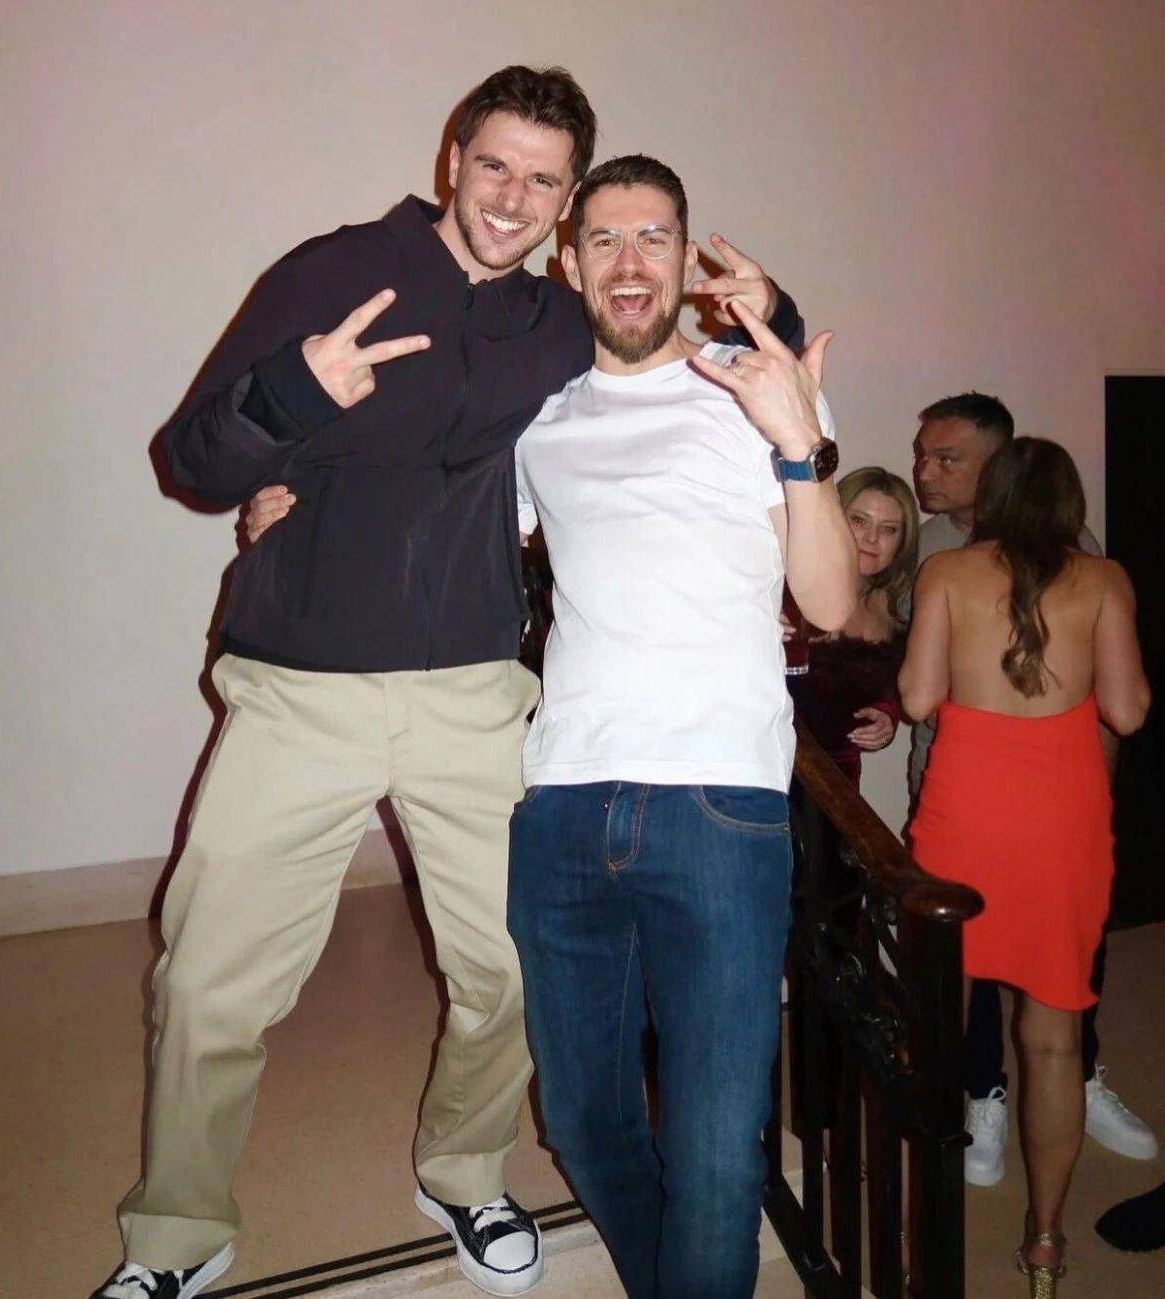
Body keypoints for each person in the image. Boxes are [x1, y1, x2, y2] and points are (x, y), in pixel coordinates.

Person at [95, 67, 804, 1299]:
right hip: (301, 688)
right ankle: (178, 1231)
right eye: (494, 166)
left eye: (542, 180)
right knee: (207, 983)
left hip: (473, 692)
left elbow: (676, 355)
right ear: (451, 160)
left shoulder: (553, 322)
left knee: (512, 975)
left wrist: (775, 308)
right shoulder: (331, 270)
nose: (511, 198)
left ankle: (465, 1169)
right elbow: (192, 461)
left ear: (564, 202)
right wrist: (292, 394)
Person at [505, 155, 856, 1299]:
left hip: (718, 804)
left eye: (653, 236)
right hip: (562, 804)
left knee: (712, 1150)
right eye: (603, 238)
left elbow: (831, 601)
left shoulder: (753, 392)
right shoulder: (539, 422)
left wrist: (796, 443)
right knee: (580, 1117)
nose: (629, 261)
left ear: (687, 258)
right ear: (568, 263)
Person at [900, 437, 1151, 1297]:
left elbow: (917, 697)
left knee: (938, 1029)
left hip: (964, 819)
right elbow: (1127, 710)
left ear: (996, 498)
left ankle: (926, 1224)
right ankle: (1045, 1239)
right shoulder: (1106, 579)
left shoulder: (946, 573)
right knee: (1053, 1040)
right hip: (1061, 827)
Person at [787, 466, 918, 787]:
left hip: (840, 787)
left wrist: (886, 716)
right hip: (775, 775)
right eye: (859, 521)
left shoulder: (892, 608)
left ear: (902, 543)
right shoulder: (787, 586)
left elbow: (891, 691)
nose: (872, 538)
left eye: (889, 529)